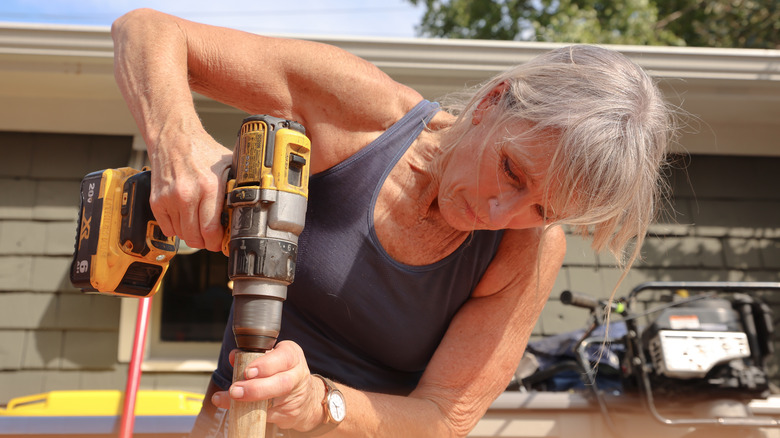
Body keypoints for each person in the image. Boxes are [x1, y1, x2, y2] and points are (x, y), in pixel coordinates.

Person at [111, 8, 674, 437]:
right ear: (493, 103)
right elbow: (146, 30)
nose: (500, 213)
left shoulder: (524, 250)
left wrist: (320, 403)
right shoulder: (361, 116)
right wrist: (177, 143)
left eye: (543, 209)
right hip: (237, 421)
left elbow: (444, 416)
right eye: (511, 170)